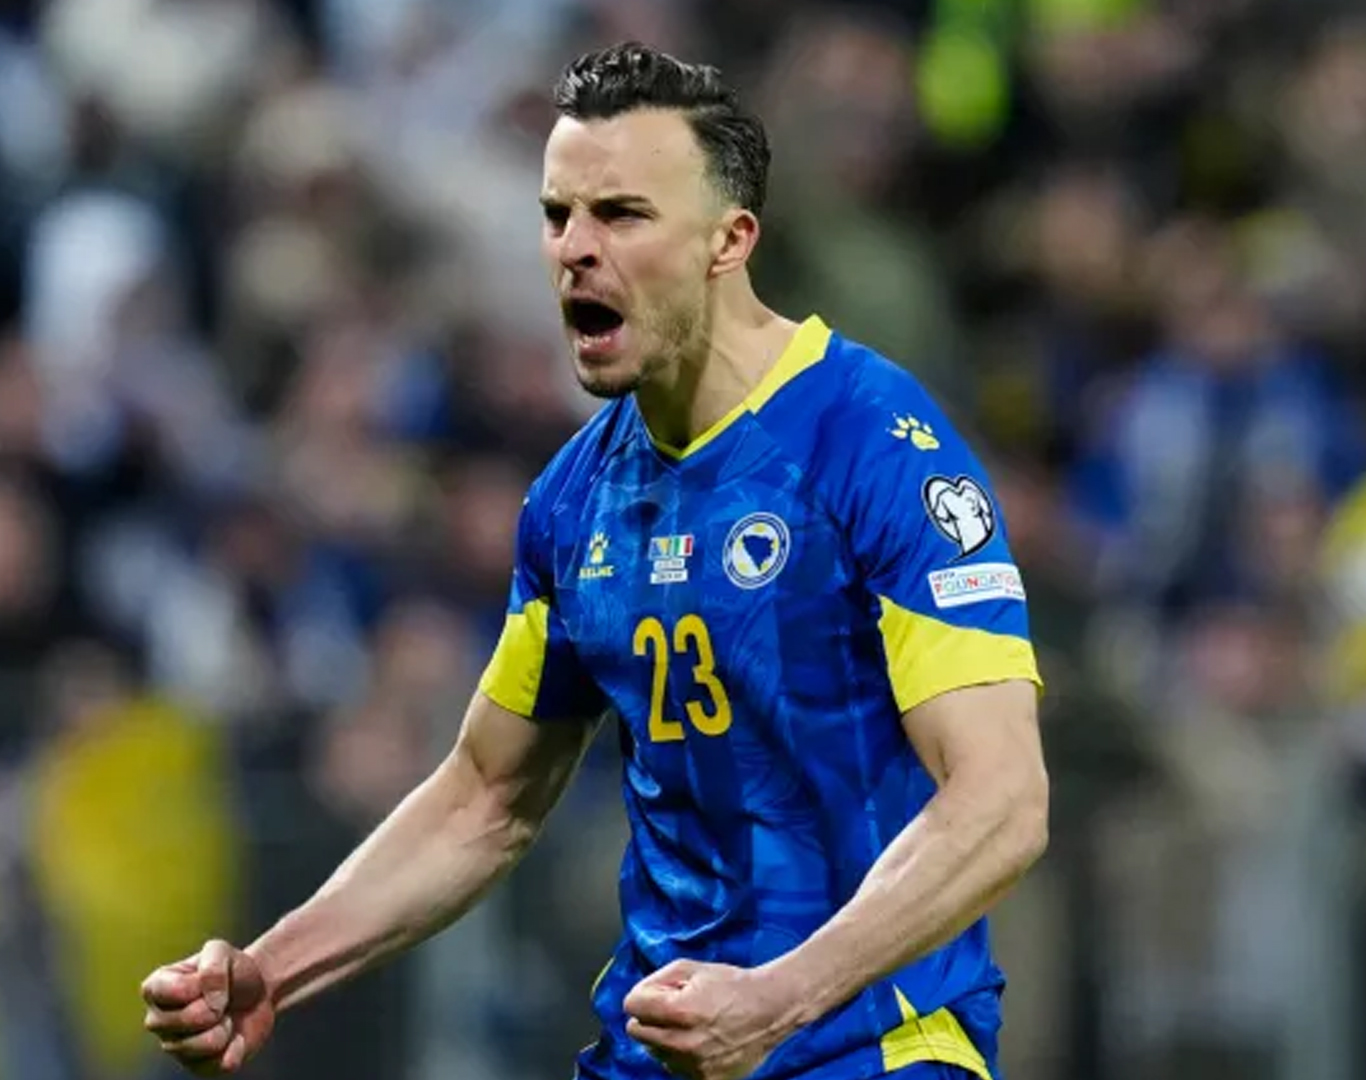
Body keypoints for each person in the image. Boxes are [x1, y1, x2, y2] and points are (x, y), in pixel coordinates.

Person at [141, 41, 1049, 1080]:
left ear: (728, 241)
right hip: (664, 1048)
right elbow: (486, 795)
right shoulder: (576, 499)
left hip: (872, 1046)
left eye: (621, 215)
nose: (575, 248)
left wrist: (779, 1000)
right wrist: (273, 967)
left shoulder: (872, 442)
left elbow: (1001, 800)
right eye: (557, 215)